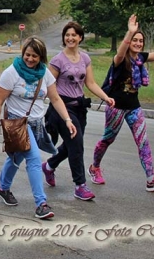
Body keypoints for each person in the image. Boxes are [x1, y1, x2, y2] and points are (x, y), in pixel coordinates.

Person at [0, 36, 76, 220]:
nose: (30, 59)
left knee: (16, 157)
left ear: (41, 58)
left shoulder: (44, 73)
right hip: (17, 124)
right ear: (23, 53)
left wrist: (67, 119)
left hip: (36, 124)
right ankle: (41, 204)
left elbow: (55, 98)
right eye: (27, 55)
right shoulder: (11, 73)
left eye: (34, 56)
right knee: (34, 158)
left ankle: (3, 188)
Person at [89, 14, 154, 192]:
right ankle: (94, 167)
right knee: (108, 139)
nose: (138, 43)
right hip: (116, 106)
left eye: (140, 41)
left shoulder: (141, 58)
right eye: (135, 40)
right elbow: (121, 51)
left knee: (143, 142)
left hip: (134, 108)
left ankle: (151, 179)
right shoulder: (120, 59)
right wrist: (129, 33)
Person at [41, 22, 114, 201]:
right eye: (67, 35)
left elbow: (90, 83)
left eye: (74, 35)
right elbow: (48, 85)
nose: (70, 38)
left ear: (80, 37)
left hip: (80, 107)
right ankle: (80, 185)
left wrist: (106, 97)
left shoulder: (85, 58)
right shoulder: (57, 60)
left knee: (70, 145)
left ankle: (49, 166)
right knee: (77, 145)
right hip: (62, 108)